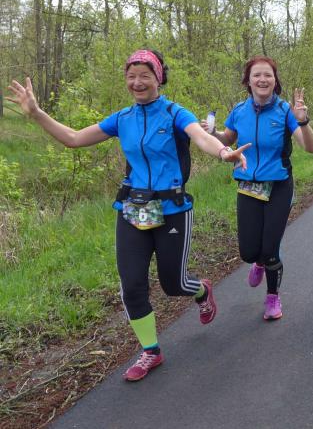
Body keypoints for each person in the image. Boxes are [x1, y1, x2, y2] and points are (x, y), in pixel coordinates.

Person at [8, 50, 248, 382]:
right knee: (132, 286)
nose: (137, 82)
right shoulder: (122, 118)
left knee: (173, 284)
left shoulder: (175, 113)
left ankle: (201, 291)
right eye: (131, 76)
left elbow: (200, 136)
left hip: (172, 211)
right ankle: (151, 350)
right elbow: (74, 139)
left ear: (158, 78)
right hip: (132, 210)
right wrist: (37, 113)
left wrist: (223, 152)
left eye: (145, 75)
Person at [204, 56, 313, 322]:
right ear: (248, 81)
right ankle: (257, 262)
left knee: (270, 249)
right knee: (248, 252)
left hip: (278, 185)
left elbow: (311, 148)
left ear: (275, 81)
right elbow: (227, 138)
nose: (262, 80)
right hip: (248, 185)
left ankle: (273, 297)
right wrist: (213, 132)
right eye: (257, 75)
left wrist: (303, 121)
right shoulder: (239, 110)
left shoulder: (285, 110)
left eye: (268, 75)